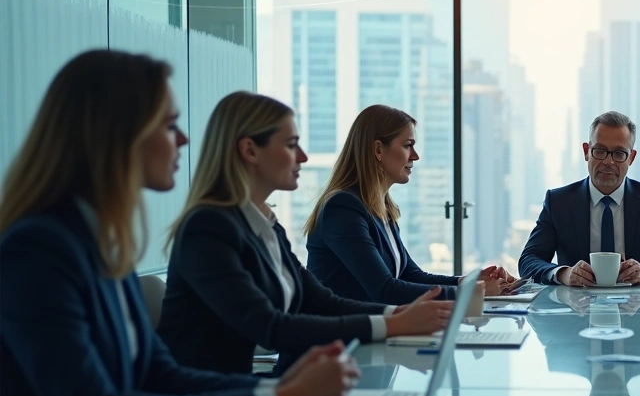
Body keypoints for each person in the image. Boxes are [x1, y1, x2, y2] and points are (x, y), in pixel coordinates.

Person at [0, 50, 357, 396]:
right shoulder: (37, 253)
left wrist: (280, 390)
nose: (184, 138)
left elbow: (159, 373)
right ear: (116, 135)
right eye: (169, 125)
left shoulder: (102, 241)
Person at [159, 92, 452, 376]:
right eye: (290, 145)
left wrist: (397, 317)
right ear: (250, 150)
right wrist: (392, 324)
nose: (303, 156)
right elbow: (272, 327)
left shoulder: (265, 224)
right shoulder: (208, 229)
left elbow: (323, 301)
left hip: (253, 392)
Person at [303, 104, 512, 304]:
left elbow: (410, 275)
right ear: (378, 149)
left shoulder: (382, 207)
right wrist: (473, 292)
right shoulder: (343, 208)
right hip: (346, 337)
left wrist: (470, 281)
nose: (415, 156)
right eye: (407, 145)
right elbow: (386, 290)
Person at [518, 111, 640, 286]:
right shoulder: (559, 202)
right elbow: (528, 261)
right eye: (600, 151)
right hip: (575, 311)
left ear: (631, 158)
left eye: (619, 154)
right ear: (586, 151)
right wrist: (564, 274)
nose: (608, 162)